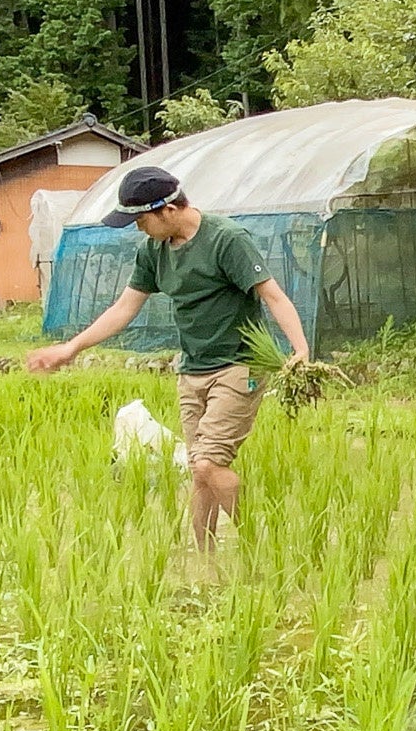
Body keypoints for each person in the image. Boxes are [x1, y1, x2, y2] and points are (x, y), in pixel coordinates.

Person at [25, 165, 309, 550]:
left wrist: (300, 349)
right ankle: (205, 557)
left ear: (168, 210)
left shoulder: (226, 240)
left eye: (141, 220)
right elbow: (124, 309)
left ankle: (258, 545)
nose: (138, 228)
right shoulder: (153, 251)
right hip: (192, 369)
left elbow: (273, 295)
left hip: (240, 365)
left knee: (209, 464)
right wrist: (71, 348)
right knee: (199, 472)